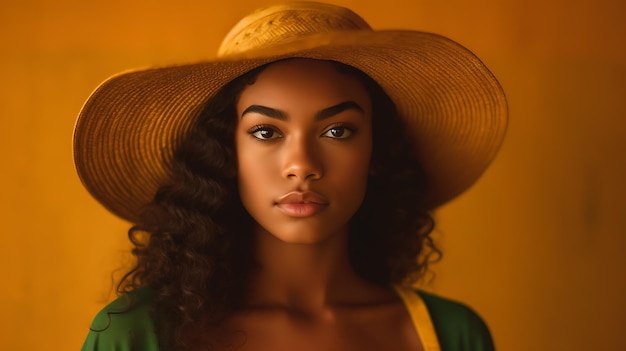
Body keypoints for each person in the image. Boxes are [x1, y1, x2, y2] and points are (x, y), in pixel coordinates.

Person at [75, 2, 507, 350]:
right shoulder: (136, 334)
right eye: (266, 132)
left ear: (377, 152)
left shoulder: (452, 335)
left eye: (338, 131)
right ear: (226, 155)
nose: (301, 164)